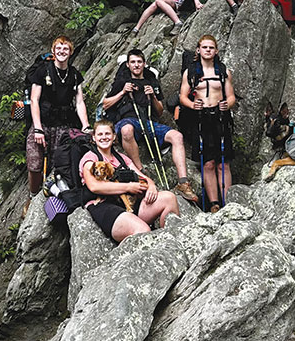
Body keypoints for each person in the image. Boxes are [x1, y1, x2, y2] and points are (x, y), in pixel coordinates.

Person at [102, 49, 198, 202]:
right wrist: (122, 92)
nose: (136, 65)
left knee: (177, 136)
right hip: (127, 120)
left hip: (148, 122)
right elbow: (105, 105)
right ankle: (141, 176)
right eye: (133, 62)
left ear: (144, 64)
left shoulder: (151, 81)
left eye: (139, 62)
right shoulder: (121, 82)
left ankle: (183, 182)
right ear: (127, 64)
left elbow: (159, 111)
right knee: (126, 130)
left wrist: (152, 95)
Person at [80, 120, 180, 242]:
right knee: (142, 230)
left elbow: (142, 177)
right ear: (94, 138)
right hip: (103, 205)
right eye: (100, 134)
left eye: (107, 134)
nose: (104, 137)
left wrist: (152, 185)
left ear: (114, 136)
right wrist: (128, 187)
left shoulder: (122, 159)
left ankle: (172, 243)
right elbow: (94, 186)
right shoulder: (90, 158)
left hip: (129, 203)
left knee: (169, 198)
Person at [179, 35, 237, 212]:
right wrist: (192, 104)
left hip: (220, 117)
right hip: (201, 119)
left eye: (211, 48)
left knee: (223, 162)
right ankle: (214, 204)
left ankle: (228, 201)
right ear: (198, 50)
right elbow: (182, 96)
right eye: (204, 47)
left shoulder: (223, 71)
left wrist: (229, 104)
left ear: (216, 51)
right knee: (208, 163)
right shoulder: (191, 72)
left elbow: (231, 95)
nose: (208, 50)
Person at [27, 36, 89, 194]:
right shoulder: (42, 71)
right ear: (53, 51)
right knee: (35, 164)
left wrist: (86, 125)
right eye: (59, 48)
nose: (62, 52)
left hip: (63, 125)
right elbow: (34, 99)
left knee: (58, 165)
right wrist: (38, 128)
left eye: (66, 49)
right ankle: (33, 194)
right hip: (42, 122)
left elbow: (80, 102)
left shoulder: (74, 75)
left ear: (70, 52)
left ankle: (51, 195)